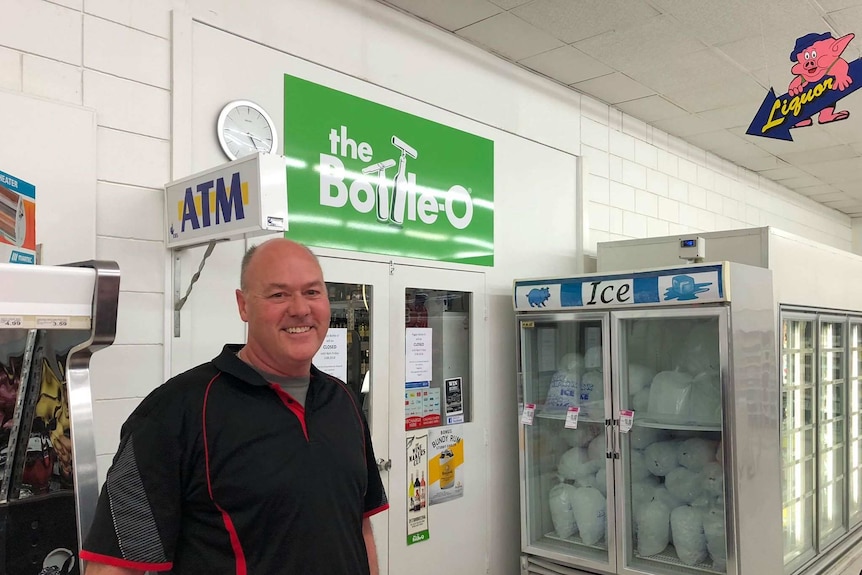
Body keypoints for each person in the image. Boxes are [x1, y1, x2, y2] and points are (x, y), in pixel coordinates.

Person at [81, 238, 388, 574]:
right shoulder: (173, 412)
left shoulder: (343, 402)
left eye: (312, 292)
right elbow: (114, 564)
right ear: (243, 305)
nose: (300, 308)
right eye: (278, 294)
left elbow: (359, 529)